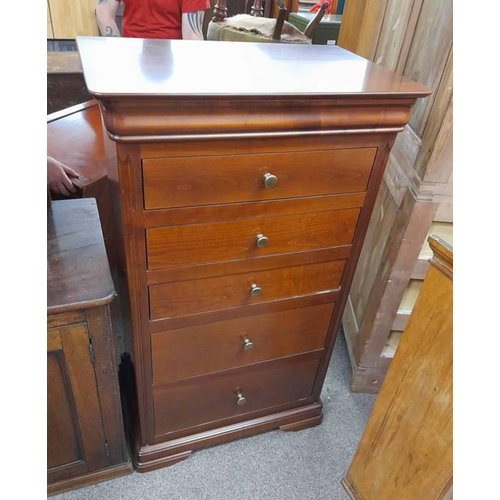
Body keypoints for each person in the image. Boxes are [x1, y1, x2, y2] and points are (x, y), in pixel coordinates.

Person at [95, 0, 210, 40]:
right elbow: (103, 10)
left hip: (174, 59)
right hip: (131, 54)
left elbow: (192, 36)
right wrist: (117, 52)